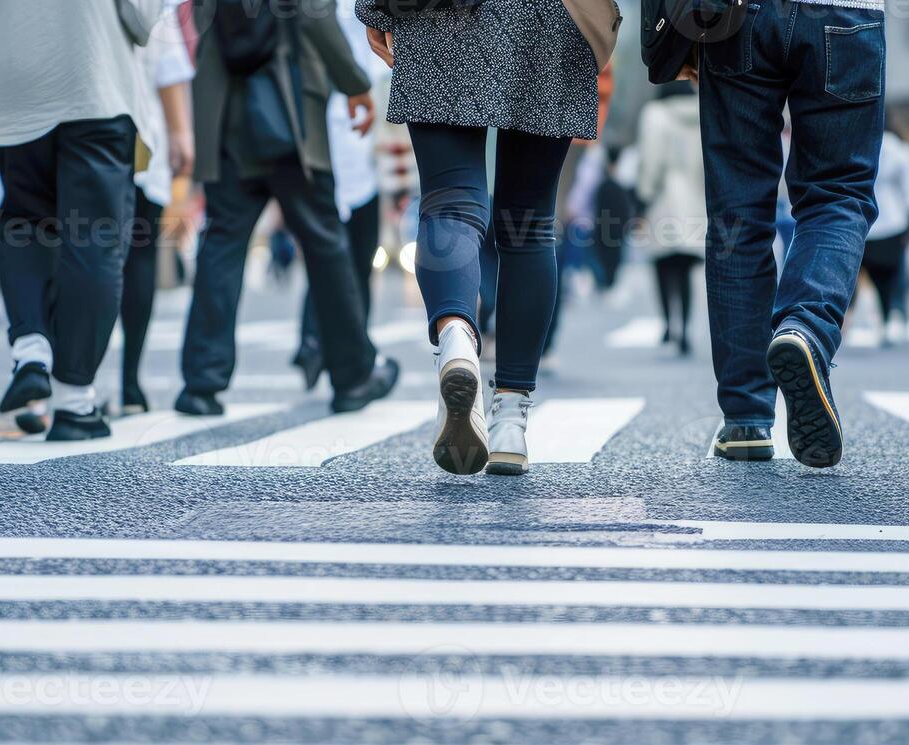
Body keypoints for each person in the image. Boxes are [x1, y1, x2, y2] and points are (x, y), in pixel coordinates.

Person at [359, 0, 614, 476]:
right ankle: (511, 421)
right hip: (554, 18)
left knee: (450, 202)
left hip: (439, 15)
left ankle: (455, 335)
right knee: (530, 222)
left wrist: (374, 8)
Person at [0, 0, 164, 441]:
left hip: (14, 81)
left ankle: (30, 350)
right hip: (94, 77)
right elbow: (141, 16)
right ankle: (75, 400)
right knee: (94, 240)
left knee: (24, 220)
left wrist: (14, 28)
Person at [179, 0, 399, 416]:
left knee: (223, 242)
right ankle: (353, 376)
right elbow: (316, 16)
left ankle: (200, 383)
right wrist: (354, 84)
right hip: (291, 114)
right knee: (325, 243)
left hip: (224, 114)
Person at [693, 0, 885, 468]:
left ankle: (745, 419)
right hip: (847, 15)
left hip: (737, 16)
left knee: (738, 213)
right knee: (837, 193)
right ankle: (806, 326)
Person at [293, 0, 390, 392]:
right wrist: (356, 84)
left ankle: (315, 341)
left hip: (319, 106)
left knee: (328, 241)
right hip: (349, 101)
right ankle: (348, 355)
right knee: (350, 247)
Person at [120, 1, 197, 415]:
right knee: (138, 259)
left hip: (78, 142)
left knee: (79, 254)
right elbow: (170, 71)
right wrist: (182, 136)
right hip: (142, 145)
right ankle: (129, 382)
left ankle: (71, 378)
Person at [636, 81, 705, 356]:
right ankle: (686, 329)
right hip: (694, 199)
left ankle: (668, 324)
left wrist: (643, 194)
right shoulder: (702, 113)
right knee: (686, 269)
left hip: (664, 200)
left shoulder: (655, 114)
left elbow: (651, 161)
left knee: (663, 266)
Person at [861, 127, 909, 344]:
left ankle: (845, 321)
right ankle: (891, 318)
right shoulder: (898, 149)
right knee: (890, 277)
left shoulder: (860, 140)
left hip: (862, 220)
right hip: (892, 221)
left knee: (855, 275)